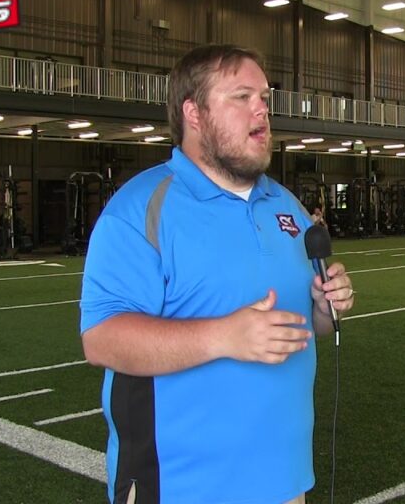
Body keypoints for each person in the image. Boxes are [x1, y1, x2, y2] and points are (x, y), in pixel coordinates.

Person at [80, 44, 354, 504]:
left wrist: (326, 307)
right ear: (195, 112)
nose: (262, 110)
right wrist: (224, 337)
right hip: (180, 487)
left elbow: (312, 326)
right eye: (242, 97)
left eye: (264, 97)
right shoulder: (141, 208)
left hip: (285, 482)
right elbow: (101, 339)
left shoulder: (287, 206)